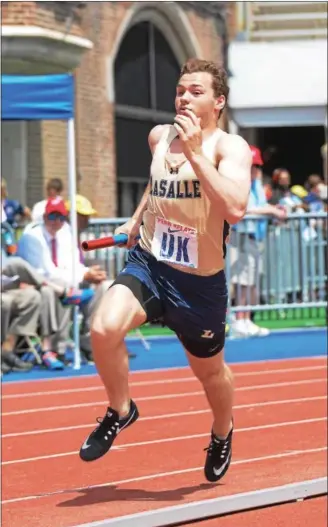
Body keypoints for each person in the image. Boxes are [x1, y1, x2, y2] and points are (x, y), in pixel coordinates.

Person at [79, 58, 252, 482]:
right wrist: (136, 220)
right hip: (152, 265)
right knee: (102, 328)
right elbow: (158, 184)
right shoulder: (160, 137)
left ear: (218, 101)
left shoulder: (229, 148)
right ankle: (121, 409)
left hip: (199, 285)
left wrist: (195, 152)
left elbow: (235, 207)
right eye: (180, 90)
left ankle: (222, 430)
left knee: (211, 374)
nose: (185, 97)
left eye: (196, 91)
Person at [229, 146, 286, 337]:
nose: (254, 170)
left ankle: (246, 319)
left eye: (256, 166)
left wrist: (273, 208)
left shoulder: (257, 185)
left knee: (251, 281)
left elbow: (260, 206)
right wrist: (271, 211)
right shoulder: (238, 184)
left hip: (254, 237)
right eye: (251, 166)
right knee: (241, 281)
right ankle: (238, 320)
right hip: (240, 236)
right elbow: (243, 210)